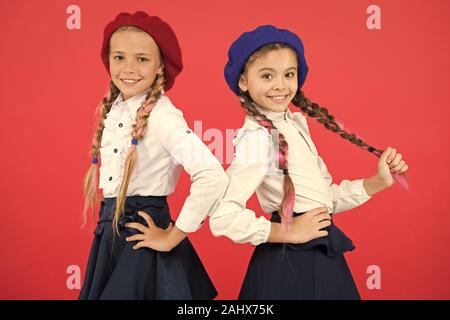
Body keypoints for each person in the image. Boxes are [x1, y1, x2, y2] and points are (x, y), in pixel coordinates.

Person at [210, 25, 409, 299]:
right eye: (267, 75)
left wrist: (377, 182)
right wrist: (286, 232)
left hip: (321, 256)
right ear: (243, 81)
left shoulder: (295, 125)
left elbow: (322, 200)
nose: (280, 85)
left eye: (289, 74)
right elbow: (223, 217)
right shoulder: (256, 138)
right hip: (290, 265)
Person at [79, 11, 228, 300]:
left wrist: (174, 235)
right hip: (112, 235)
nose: (128, 68)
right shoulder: (115, 109)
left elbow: (212, 175)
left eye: (142, 59)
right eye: (119, 57)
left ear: (160, 65)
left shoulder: (163, 116)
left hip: (141, 237)